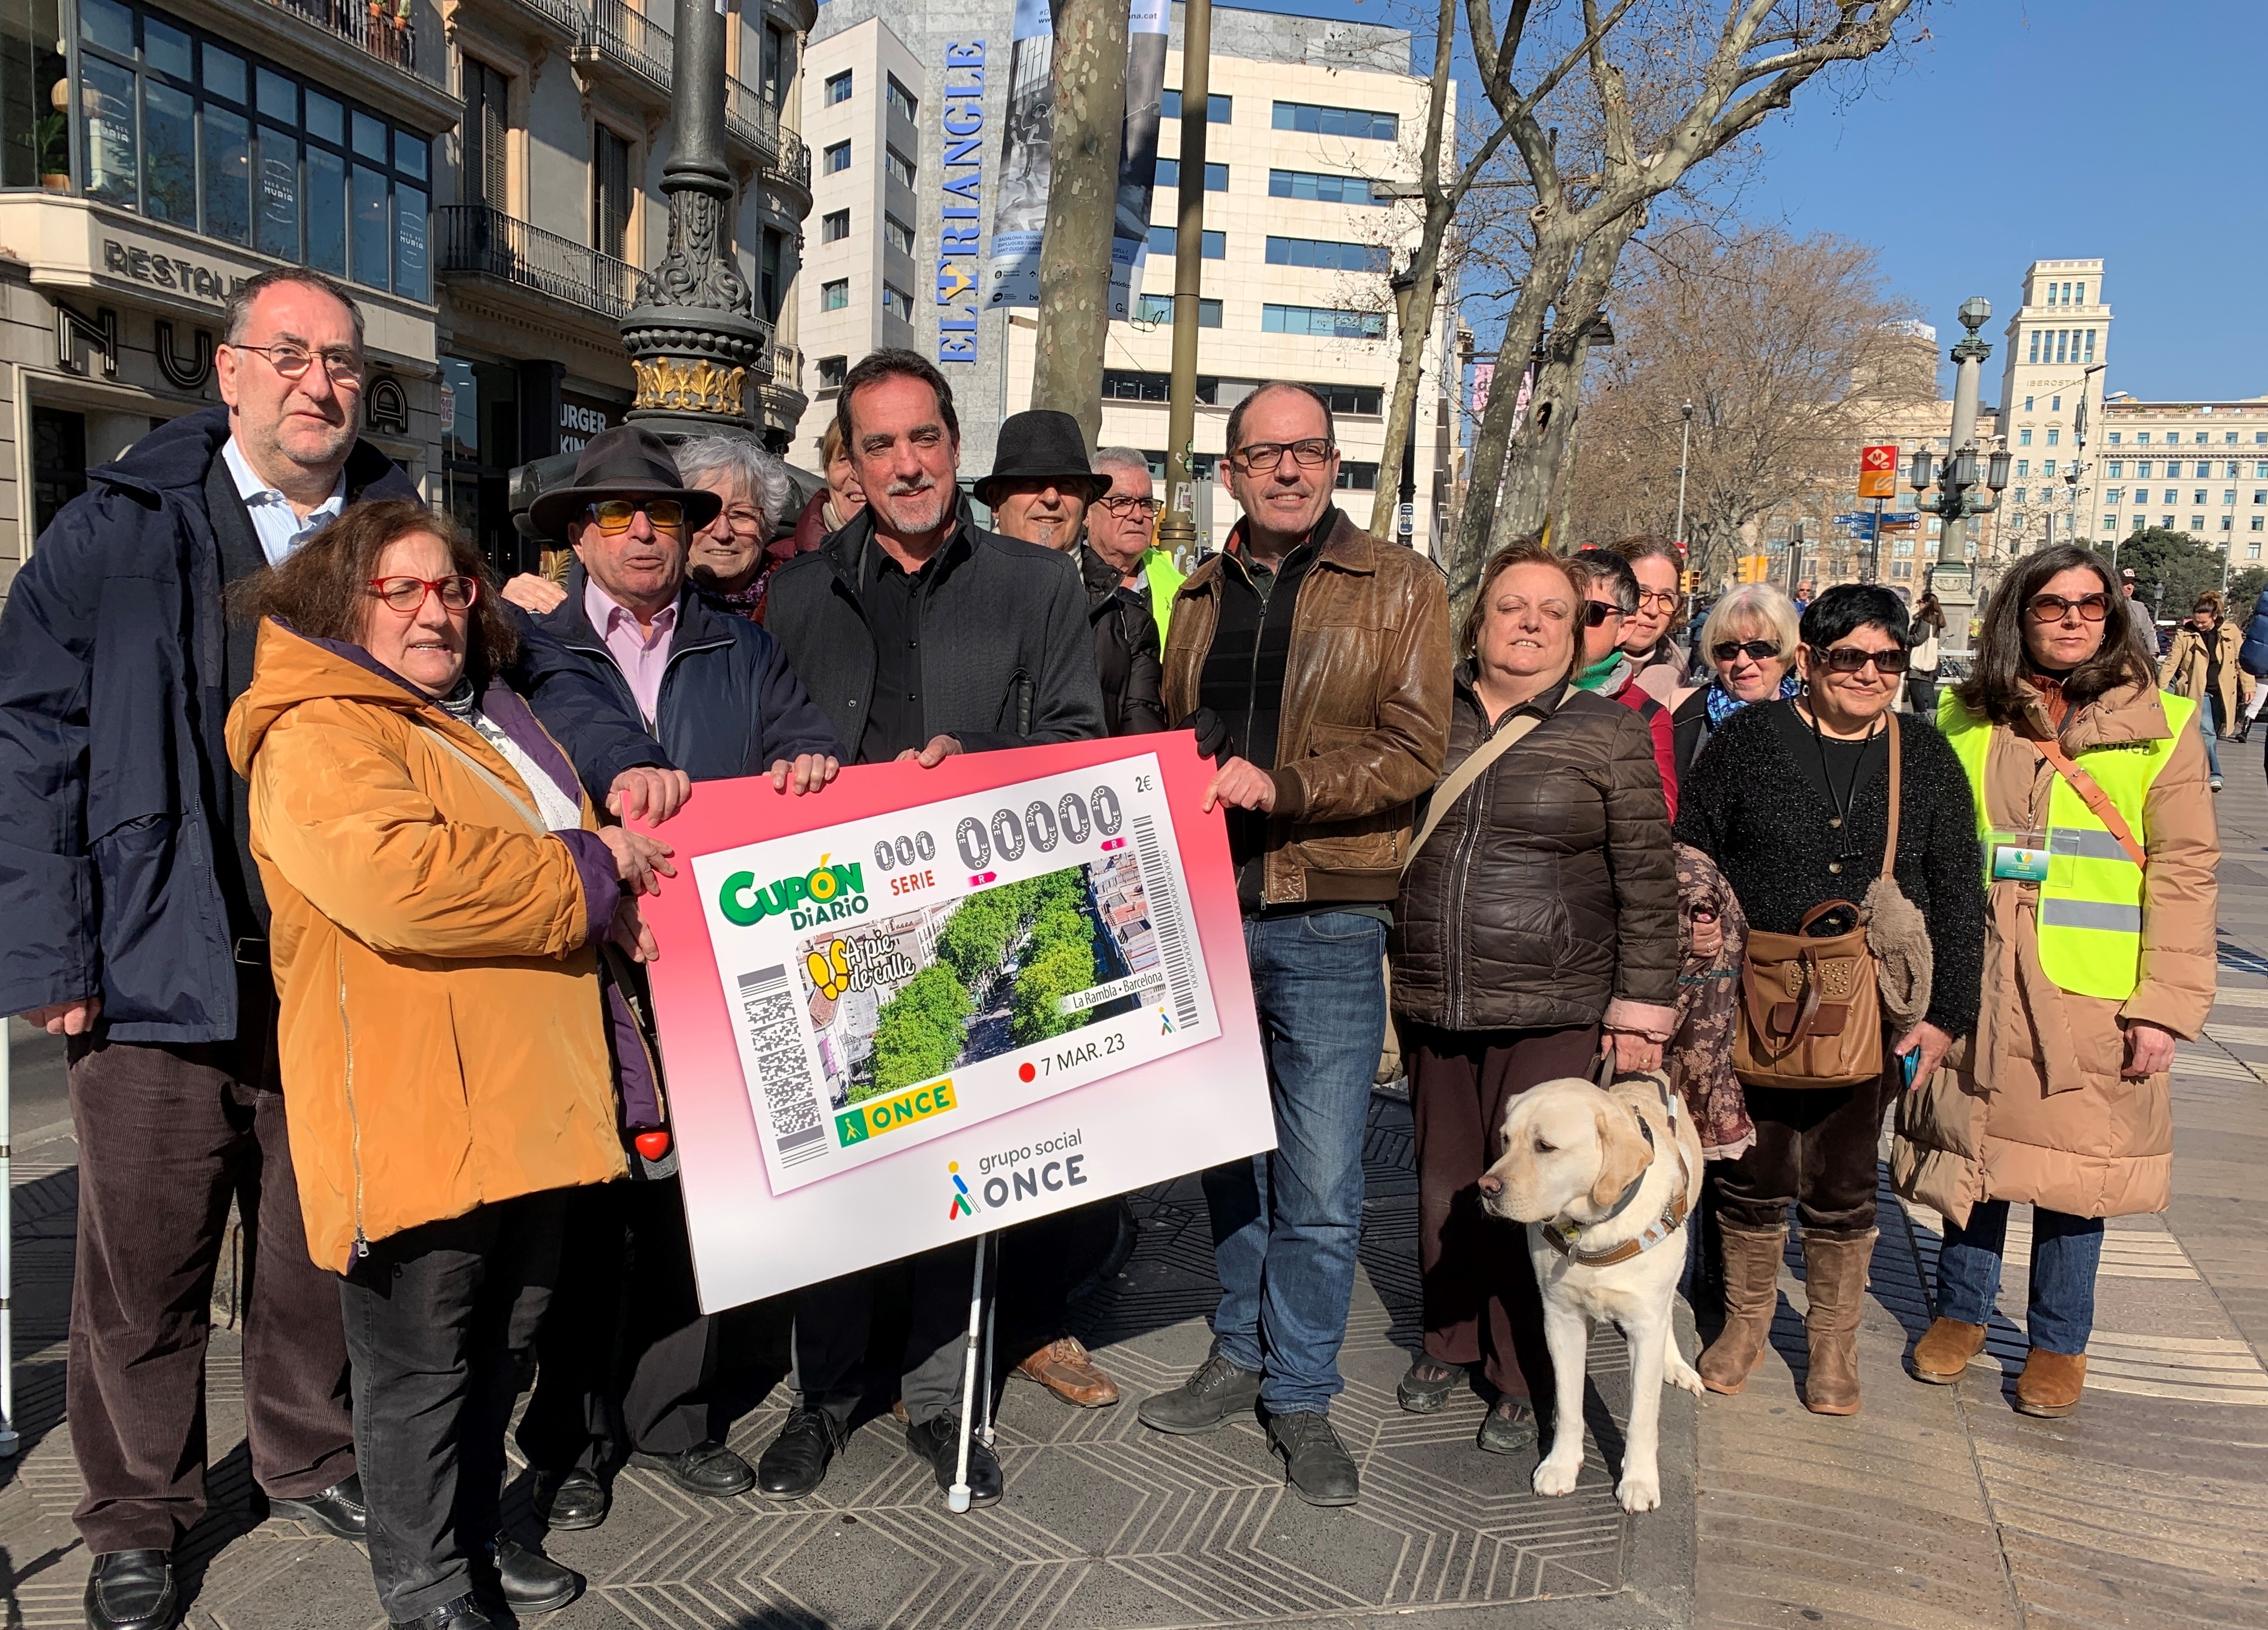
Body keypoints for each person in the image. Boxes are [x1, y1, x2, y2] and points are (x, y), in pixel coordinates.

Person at [0, 268, 680, 1630]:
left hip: (347, 972)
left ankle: (308, 1455)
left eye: (346, 363)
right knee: (146, 1262)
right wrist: (49, 949)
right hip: (156, 959)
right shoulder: (118, 524)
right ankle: (141, 1514)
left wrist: (628, 770)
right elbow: (30, 734)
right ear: (232, 371)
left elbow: (536, 681)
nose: (323, 382)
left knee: (323, 1246)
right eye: (292, 355)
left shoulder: (404, 526)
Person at [227, 502, 673, 1630]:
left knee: (503, 1346)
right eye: (403, 589)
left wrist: (601, 879)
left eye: (453, 587)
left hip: (530, 1102)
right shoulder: (321, 728)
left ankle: (475, 1540)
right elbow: (406, 880)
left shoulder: (486, 715)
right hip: (417, 1107)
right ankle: (424, 1587)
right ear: (343, 604)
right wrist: (588, 870)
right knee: (419, 1368)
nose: (436, 609)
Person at [759, 349, 1106, 1507]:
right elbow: (769, 743)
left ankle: (945, 1400)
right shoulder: (797, 590)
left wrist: (982, 766)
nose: (905, 463)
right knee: (838, 1172)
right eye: (879, 444)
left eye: (924, 438)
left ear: (953, 447)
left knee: (961, 1171)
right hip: (835, 929)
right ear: (848, 464)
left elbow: (1073, 740)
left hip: (980, 921)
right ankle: (826, 1397)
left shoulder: (1036, 582)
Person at [501, 426, 847, 1533]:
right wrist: (622, 772)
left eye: (663, 515)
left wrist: (806, 762)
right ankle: (571, 1439)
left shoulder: (742, 650)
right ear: (575, 534)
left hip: (708, 974)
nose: (644, 531)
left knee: (702, 1209)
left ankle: (677, 1420)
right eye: (615, 514)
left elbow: (798, 735)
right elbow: (579, 730)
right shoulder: (531, 645)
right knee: (585, 1221)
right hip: (579, 974)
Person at [1137, 380, 1451, 1508]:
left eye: (1307, 452)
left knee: (1318, 1174)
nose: (1286, 470)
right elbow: (1178, 737)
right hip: (1211, 910)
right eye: (1263, 453)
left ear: (1334, 466)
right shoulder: (1200, 591)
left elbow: (1416, 744)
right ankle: (1236, 1348)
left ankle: (1303, 1390)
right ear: (1229, 471)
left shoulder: (1401, 583)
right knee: (1229, 1154)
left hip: (1326, 907)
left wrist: (1291, 788)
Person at [1896, 546, 2216, 1418]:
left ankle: (2056, 1341)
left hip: (2093, 991)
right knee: (1974, 1146)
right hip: (1976, 971)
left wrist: (2164, 1008)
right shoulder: (1965, 718)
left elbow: (2185, 872)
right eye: (2051, 605)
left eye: (2089, 605)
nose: (2072, 619)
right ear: (2017, 616)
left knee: (2081, 1174)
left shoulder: (2164, 723)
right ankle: (1959, 1315)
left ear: (2112, 616)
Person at [1389, 540, 1678, 1455]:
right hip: (1437, 993)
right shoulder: (1422, 718)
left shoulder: (1607, 732)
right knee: (1445, 1181)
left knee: (1544, 1197)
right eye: (1511, 607)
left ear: (1579, 633)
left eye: (1553, 613)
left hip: (1557, 1002)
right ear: (1477, 621)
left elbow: (1645, 878)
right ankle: (1447, 1339)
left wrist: (1642, 1008)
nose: (1529, 625)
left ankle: (1519, 1375)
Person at [1674, 584, 1984, 1416]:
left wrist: (1944, 1015)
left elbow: (1959, 891)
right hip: (1756, 994)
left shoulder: (1921, 754)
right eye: (1849, 656)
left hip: (1869, 1002)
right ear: (1807, 661)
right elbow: (1691, 857)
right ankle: (1743, 1326)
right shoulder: (1745, 741)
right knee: (1752, 1168)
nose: (1869, 673)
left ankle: (1831, 1345)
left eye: (1887, 659)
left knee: (1845, 1178)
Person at [978, 411, 1166, 739]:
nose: (1051, 498)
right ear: (996, 501)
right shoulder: (947, 599)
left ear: (1085, 503)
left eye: (1067, 486)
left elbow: (1139, 750)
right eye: (1031, 482)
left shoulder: (1129, 625)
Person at [1567, 548, 1679, 816]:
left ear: (1623, 628)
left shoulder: (1648, 716)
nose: (1572, 622)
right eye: (1558, 609)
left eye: (1591, 613)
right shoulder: (1506, 684)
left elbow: (1655, 817)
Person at [1668, 582, 1802, 778]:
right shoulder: (1679, 711)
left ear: (1787, 650)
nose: (1742, 661)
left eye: (1759, 649)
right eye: (1727, 649)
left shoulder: (1815, 717)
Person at [1090, 446, 1188, 641]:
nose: (1137, 515)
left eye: (1146, 503)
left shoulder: (1182, 590)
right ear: (1087, 511)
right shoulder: (1060, 581)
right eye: (1121, 502)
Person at [2158, 590, 2246, 793]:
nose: (2200, 625)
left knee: (2212, 733)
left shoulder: (2230, 631)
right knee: (2206, 732)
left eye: (2204, 622)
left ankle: (2198, 769)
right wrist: (2160, 689)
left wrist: (2249, 686)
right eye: (2197, 622)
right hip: (2198, 690)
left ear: (2214, 617)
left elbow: (2242, 661)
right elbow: (2172, 662)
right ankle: (2215, 774)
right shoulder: (2186, 634)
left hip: (2223, 691)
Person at [1608, 536, 1693, 707]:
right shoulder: (1561, 666)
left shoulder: (1679, 684)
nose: (1653, 610)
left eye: (1666, 598)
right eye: (1641, 593)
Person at [792, 416, 868, 554]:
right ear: (827, 471)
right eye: (844, 459)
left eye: (868, 458)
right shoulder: (782, 563)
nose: (857, 474)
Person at [1907, 591, 1946, 717]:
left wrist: (1904, 638)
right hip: (1927, 659)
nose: (1919, 606)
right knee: (1922, 690)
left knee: (1914, 689)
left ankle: (1921, 717)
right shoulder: (1936, 619)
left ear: (1925, 603)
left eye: (1920, 603)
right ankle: (1922, 716)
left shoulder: (1926, 620)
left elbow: (1918, 639)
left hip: (1919, 660)